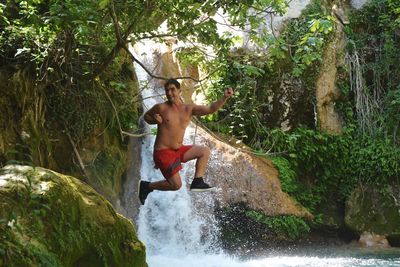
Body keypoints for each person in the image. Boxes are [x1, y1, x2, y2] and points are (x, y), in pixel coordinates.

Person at [138, 78, 233, 205]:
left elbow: (210, 108)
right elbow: (146, 116)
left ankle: (197, 181)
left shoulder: (189, 109)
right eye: (167, 90)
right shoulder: (161, 108)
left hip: (178, 150)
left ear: (179, 91)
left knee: (204, 151)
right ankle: (147, 186)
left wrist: (224, 98)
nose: (169, 93)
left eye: (172, 90)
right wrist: (155, 120)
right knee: (176, 185)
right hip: (163, 152)